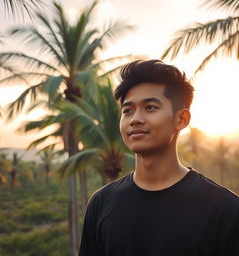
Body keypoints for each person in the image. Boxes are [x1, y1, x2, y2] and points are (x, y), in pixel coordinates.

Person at [78, 60, 239, 256]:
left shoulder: (225, 210)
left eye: (150, 107)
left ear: (181, 119)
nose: (135, 119)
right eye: (127, 111)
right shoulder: (101, 203)